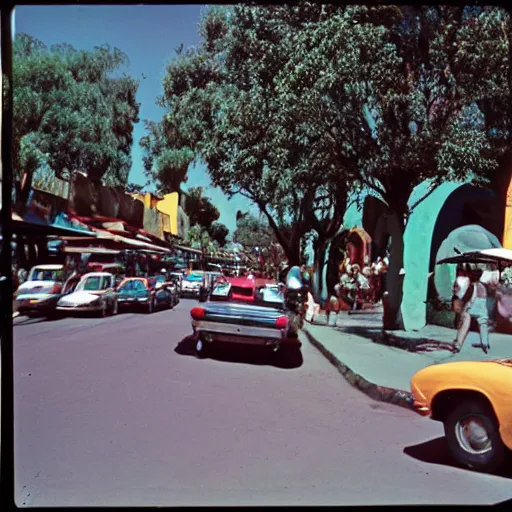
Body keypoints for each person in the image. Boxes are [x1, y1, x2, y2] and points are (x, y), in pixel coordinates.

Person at [453, 263, 490, 354]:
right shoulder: (482, 287)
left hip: (470, 308)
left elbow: (468, 297)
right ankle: (484, 343)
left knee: (464, 324)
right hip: (481, 310)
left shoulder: (470, 286)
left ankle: (458, 344)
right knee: (483, 323)